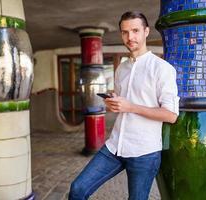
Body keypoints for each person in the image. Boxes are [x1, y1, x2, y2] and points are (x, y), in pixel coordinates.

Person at [69, 11, 179, 200]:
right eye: (125, 32)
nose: (130, 37)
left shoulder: (163, 69)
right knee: (78, 189)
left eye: (135, 31)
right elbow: (123, 104)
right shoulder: (122, 68)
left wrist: (131, 107)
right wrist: (114, 104)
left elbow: (171, 115)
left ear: (146, 31)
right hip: (115, 146)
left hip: (144, 152)